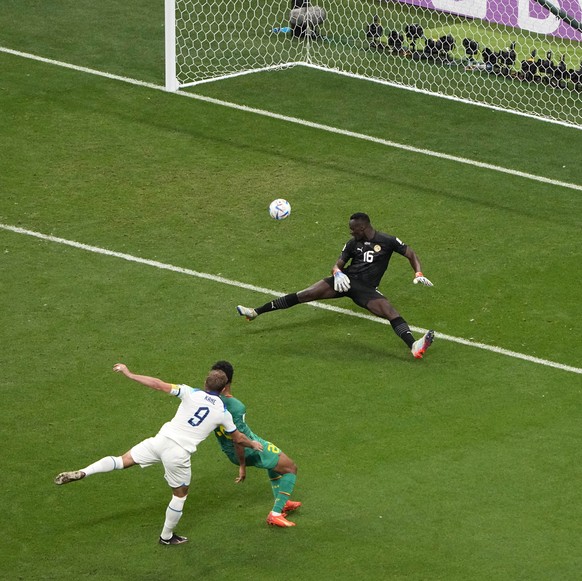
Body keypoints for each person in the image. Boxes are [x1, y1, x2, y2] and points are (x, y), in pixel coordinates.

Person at [54, 365, 263, 545]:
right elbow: (237, 438)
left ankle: (83, 471)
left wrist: (129, 373)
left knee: (121, 460)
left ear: (205, 382)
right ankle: (166, 537)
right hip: (178, 454)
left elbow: (157, 383)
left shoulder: (190, 392)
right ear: (224, 388)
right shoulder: (223, 413)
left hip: (160, 441)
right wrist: (253, 443)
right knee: (179, 495)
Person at [237, 212, 435, 358]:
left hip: (366, 289)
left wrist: (418, 272)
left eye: (353, 228)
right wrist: (338, 273)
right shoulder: (351, 244)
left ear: (363, 227)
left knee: (389, 311)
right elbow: (337, 265)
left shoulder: (387, 241)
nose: (350, 231)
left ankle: (414, 345)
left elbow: (410, 254)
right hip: (344, 281)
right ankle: (255, 312)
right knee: (303, 294)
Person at [211, 360, 301, 527]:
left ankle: (283, 502)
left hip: (233, 447)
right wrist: (242, 465)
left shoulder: (207, 402)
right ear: (230, 381)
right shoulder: (236, 406)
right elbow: (238, 439)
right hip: (247, 447)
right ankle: (275, 514)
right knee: (290, 468)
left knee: (274, 462)